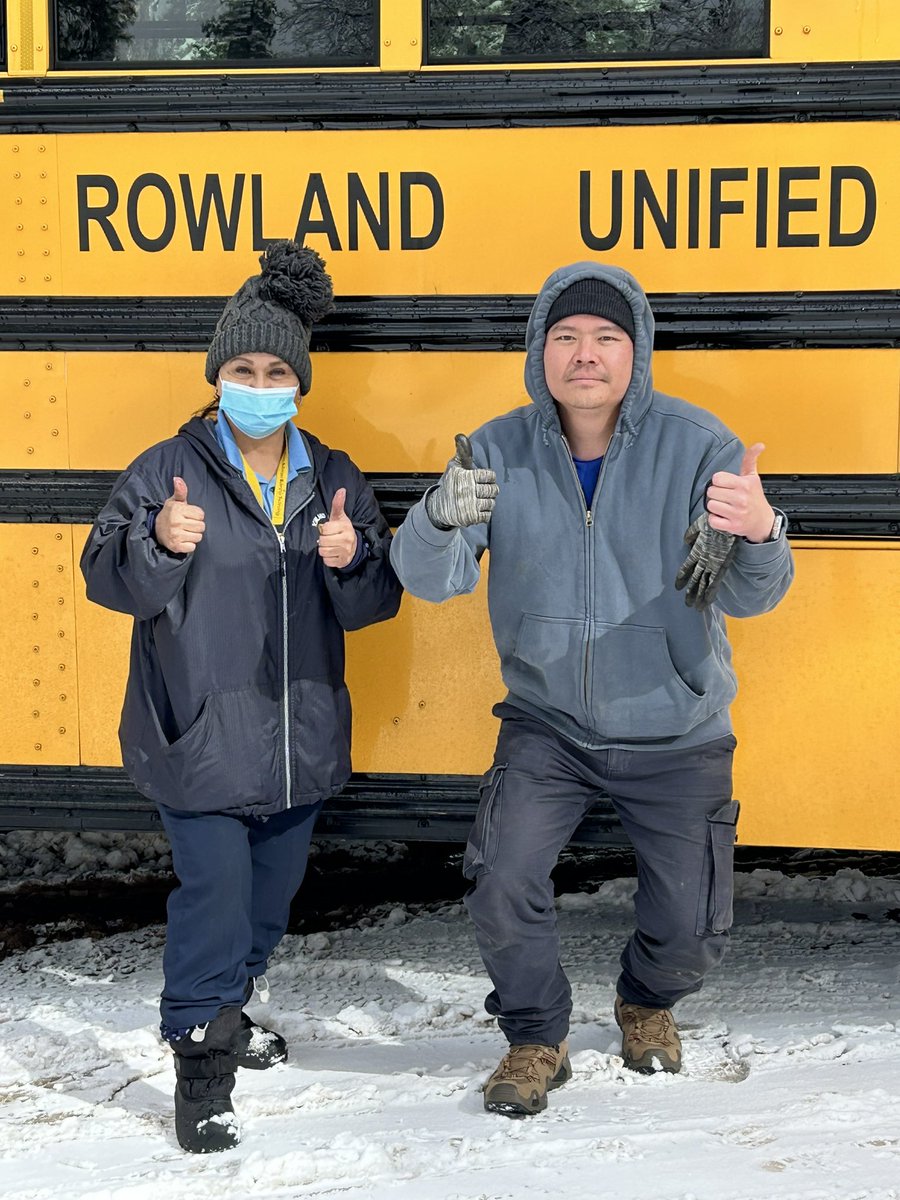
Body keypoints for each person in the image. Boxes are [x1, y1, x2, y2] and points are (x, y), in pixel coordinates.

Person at [389, 261, 793, 1118]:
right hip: (549, 725)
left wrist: (760, 531)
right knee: (501, 878)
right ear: (539, 350)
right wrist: (435, 518)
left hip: (678, 728)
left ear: (635, 350)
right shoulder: (494, 448)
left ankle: (646, 1000)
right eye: (566, 336)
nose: (585, 354)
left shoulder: (699, 446)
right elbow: (433, 578)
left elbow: (753, 597)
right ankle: (536, 1035)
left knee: (693, 928)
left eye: (606, 337)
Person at [81, 241, 402, 1153]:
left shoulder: (332, 476)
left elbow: (375, 602)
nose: (259, 385)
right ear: (217, 376)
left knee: (266, 905)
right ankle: (203, 1069)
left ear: (299, 381)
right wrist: (158, 541)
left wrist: (353, 560)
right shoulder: (166, 469)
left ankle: (230, 1003)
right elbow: (105, 575)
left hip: (297, 742)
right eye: (242, 370)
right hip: (203, 739)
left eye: (276, 372)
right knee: (215, 901)